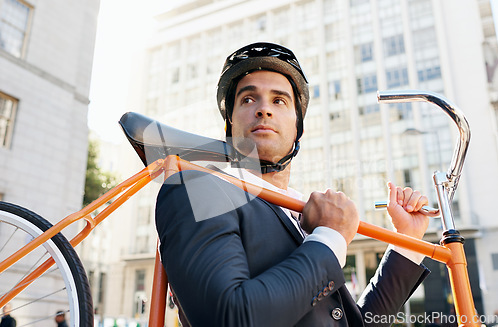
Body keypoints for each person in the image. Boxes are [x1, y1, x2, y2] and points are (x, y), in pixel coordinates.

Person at [155, 42, 431, 326]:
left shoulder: (302, 211)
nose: (264, 109)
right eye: (248, 99)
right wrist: (329, 237)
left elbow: (351, 322)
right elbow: (230, 318)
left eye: (279, 100)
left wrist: (408, 241)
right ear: (229, 124)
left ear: (299, 127)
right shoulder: (196, 187)